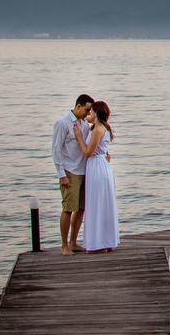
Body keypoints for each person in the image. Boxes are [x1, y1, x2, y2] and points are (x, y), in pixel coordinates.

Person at [73, 100, 120, 252]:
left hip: (96, 167)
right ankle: (107, 241)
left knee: (96, 204)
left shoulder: (97, 130)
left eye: (91, 112)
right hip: (102, 166)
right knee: (104, 204)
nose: (89, 114)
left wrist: (79, 137)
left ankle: (98, 244)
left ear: (97, 114)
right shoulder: (103, 128)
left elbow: (88, 153)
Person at [52, 94, 93, 256]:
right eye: (86, 110)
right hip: (70, 171)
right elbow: (56, 149)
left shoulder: (84, 124)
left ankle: (73, 242)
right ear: (78, 106)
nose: (88, 114)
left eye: (90, 111)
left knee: (81, 208)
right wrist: (61, 174)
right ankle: (64, 245)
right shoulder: (63, 123)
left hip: (84, 169)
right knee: (68, 208)